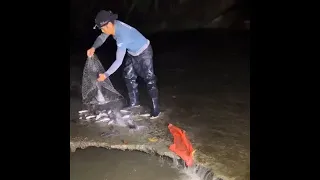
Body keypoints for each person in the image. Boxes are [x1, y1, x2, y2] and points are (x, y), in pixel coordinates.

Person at [87, 10, 160, 119]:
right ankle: (134, 104)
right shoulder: (113, 26)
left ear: (109, 24)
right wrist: (93, 47)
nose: (102, 31)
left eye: (102, 28)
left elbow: (118, 61)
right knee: (128, 76)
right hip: (132, 52)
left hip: (144, 51)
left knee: (149, 79)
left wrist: (106, 75)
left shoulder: (122, 36)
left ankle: (156, 109)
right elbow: (102, 37)